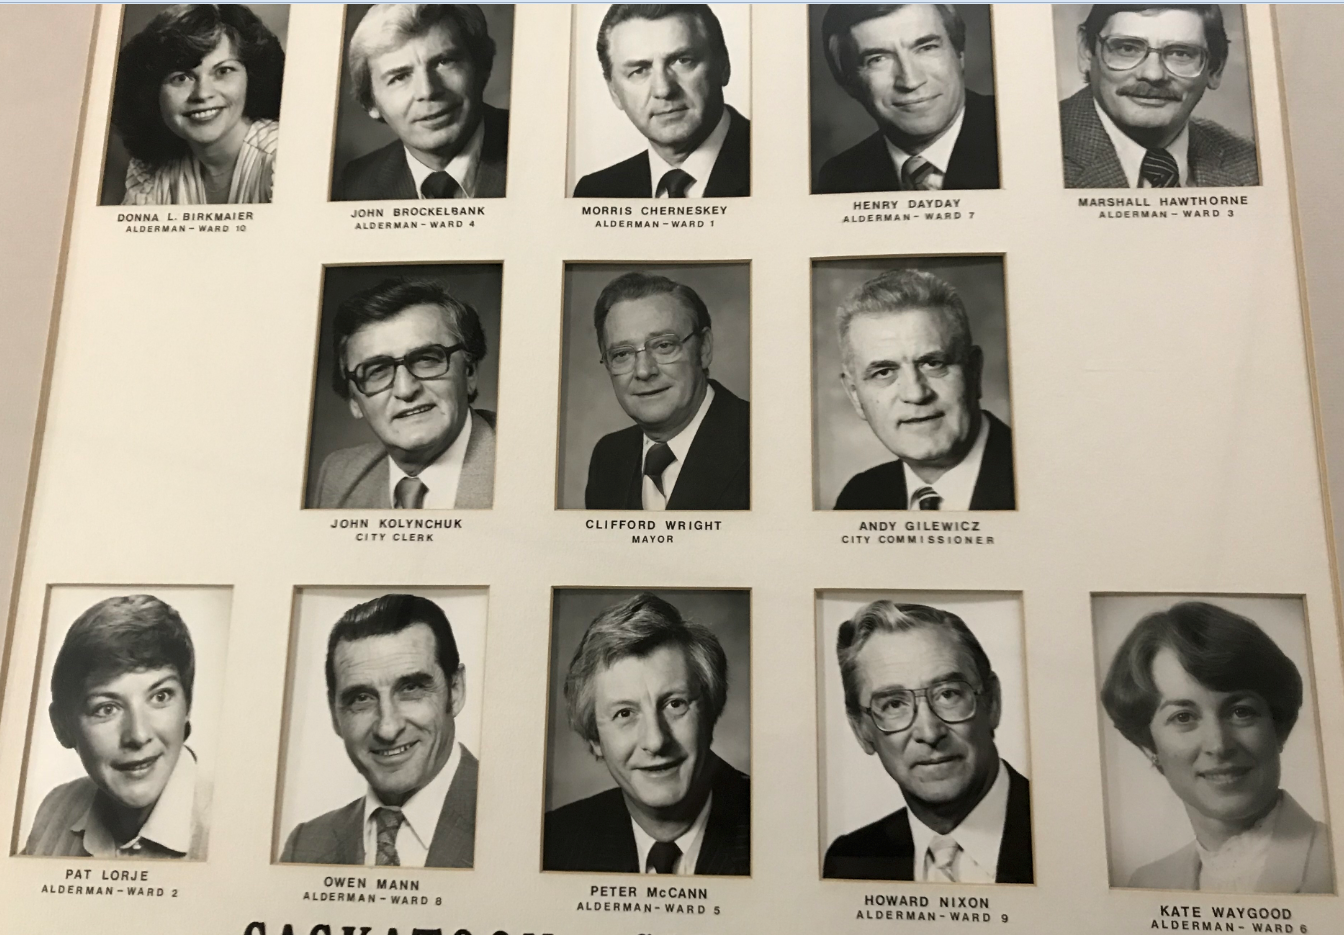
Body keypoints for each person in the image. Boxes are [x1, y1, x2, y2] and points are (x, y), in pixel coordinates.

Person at [1101, 601, 1333, 893]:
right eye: (1183, 717)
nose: (1218, 745)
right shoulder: (1146, 884)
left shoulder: (1335, 862)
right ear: (1150, 747)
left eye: (1241, 712)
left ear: (1279, 728)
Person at [823, 601, 1033, 882]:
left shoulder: (1069, 833)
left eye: (948, 694)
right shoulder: (850, 860)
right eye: (894, 704)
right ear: (861, 729)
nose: (930, 733)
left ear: (992, 702)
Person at [543, 593, 750, 875]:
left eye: (675, 704)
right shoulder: (554, 844)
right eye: (625, 713)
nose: (656, 741)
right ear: (595, 739)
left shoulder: (775, 828)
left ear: (711, 711)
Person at [281, 594, 478, 867]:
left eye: (410, 689)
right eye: (361, 698)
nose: (387, 728)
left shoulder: (522, 821)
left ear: (455, 691)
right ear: (334, 713)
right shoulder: (305, 846)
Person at [24, 595, 211, 859]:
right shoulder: (56, 807)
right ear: (62, 726)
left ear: (187, 704)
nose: (138, 735)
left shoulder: (231, 823)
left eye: (160, 696)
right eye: (106, 708)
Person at [831, 269, 1014, 511]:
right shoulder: (860, 497)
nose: (916, 394)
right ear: (855, 395)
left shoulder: (1038, 477)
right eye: (884, 372)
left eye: (933, 364)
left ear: (974, 371)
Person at [311, 278, 496, 510]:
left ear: (469, 373)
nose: (406, 389)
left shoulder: (522, 463)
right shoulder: (340, 474)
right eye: (377, 370)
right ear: (354, 401)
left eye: (427, 359)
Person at [584, 271, 749, 510]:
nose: (643, 371)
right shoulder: (609, 458)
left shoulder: (760, 441)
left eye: (663, 345)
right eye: (622, 354)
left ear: (703, 348)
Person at [1060, 4, 1258, 188]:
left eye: (1181, 54)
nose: (1153, 75)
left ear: (1215, 69)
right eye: (1127, 48)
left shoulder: (1250, 164)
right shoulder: (1040, 147)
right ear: (1086, 50)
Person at [815, 4, 999, 194]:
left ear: (959, 55)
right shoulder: (839, 176)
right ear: (848, 84)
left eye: (927, 48)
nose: (910, 81)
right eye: (878, 59)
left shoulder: (1016, 135)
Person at [111, 4, 284, 205]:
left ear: (252, 77)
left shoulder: (282, 159)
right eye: (181, 78)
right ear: (152, 92)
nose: (202, 94)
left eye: (223, 71)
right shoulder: (150, 173)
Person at [573, 5, 750, 198]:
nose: (663, 89)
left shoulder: (778, 169)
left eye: (683, 60)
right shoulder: (595, 193)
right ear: (614, 91)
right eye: (639, 71)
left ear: (723, 66)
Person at [335, 4, 509, 201]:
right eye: (400, 77)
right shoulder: (354, 185)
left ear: (482, 68)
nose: (427, 91)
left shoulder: (538, 150)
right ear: (371, 104)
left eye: (444, 62)